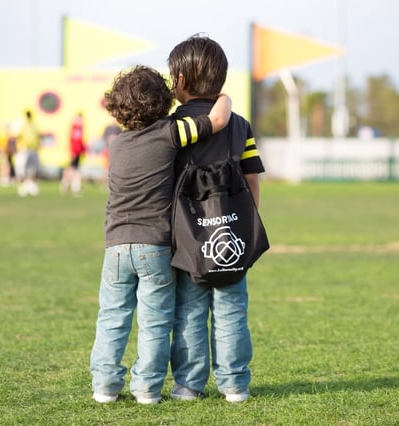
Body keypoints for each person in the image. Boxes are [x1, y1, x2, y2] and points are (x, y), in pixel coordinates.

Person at [89, 65, 232, 405]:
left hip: (115, 246)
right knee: (154, 321)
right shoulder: (169, 133)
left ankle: (105, 386)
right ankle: (146, 388)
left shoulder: (117, 144)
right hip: (154, 245)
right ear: (164, 103)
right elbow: (217, 121)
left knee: (112, 316)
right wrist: (224, 96)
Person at [167, 34, 266, 403]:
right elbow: (252, 176)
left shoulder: (173, 127)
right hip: (230, 236)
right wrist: (247, 222)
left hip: (187, 241)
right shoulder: (239, 125)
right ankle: (235, 385)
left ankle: (188, 386)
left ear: (181, 80)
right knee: (232, 311)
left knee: (189, 312)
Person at [15, 110, 41, 196]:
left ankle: (31, 184)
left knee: (34, 168)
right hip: (24, 149)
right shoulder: (22, 125)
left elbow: (38, 136)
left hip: (33, 149)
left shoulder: (34, 125)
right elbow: (17, 136)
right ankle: (24, 185)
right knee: (23, 169)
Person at [60, 112, 87, 195]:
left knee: (74, 169)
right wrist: (74, 151)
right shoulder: (75, 128)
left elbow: (80, 141)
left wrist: (83, 149)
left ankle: (69, 185)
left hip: (77, 152)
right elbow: (74, 141)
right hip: (74, 152)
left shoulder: (80, 128)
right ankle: (69, 184)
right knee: (72, 169)